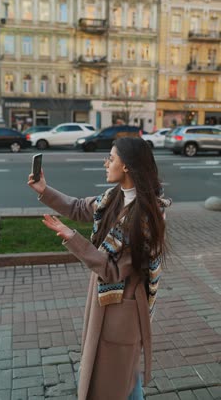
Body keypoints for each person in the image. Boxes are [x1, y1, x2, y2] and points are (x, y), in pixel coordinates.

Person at [28, 137, 172, 400]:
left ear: (126, 166)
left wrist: (72, 238)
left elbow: (113, 271)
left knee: (114, 381)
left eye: (111, 158)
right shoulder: (112, 198)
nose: (106, 163)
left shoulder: (146, 216)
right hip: (108, 300)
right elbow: (77, 207)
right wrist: (44, 189)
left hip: (123, 308)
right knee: (123, 379)